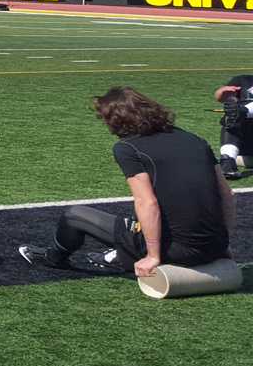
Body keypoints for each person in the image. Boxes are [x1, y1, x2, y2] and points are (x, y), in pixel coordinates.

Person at [19, 87, 234, 276]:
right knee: (136, 218)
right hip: (214, 247)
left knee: (74, 216)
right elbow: (226, 194)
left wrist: (153, 256)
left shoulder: (127, 148)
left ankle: (54, 258)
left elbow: (147, 202)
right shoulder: (194, 139)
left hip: (176, 251)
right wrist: (222, 245)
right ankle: (117, 255)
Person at [211, 75, 252, 180]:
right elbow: (221, 98)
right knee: (232, 116)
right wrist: (222, 93)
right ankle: (228, 161)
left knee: (238, 113)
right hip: (244, 139)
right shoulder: (243, 80)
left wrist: (243, 111)